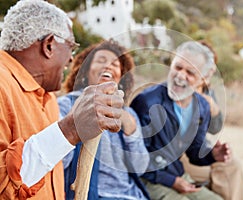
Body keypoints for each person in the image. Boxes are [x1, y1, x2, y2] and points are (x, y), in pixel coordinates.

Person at [0, 1, 123, 199]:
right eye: (71, 49)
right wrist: (70, 129)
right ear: (49, 45)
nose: (71, 60)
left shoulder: (48, 99)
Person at [131, 41, 229, 200]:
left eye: (190, 72)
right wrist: (171, 181)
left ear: (202, 79)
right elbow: (135, 156)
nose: (181, 75)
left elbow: (195, 151)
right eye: (178, 67)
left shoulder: (202, 106)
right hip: (148, 180)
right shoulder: (146, 102)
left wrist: (212, 155)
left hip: (178, 175)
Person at [58, 39, 150, 199]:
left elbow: (140, 168)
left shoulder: (129, 114)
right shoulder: (67, 105)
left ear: (121, 78)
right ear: (85, 71)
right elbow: (58, 164)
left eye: (115, 64)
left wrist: (131, 131)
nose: (108, 66)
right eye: (101, 60)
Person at [180, 41, 243, 200]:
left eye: (212, 68)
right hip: (181, 155)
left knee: (234, 164)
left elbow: (215, 128)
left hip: (200, 150)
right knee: (224, 173)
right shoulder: (180, 88)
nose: (210, 71)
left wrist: (212, 106)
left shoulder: (207, 92)